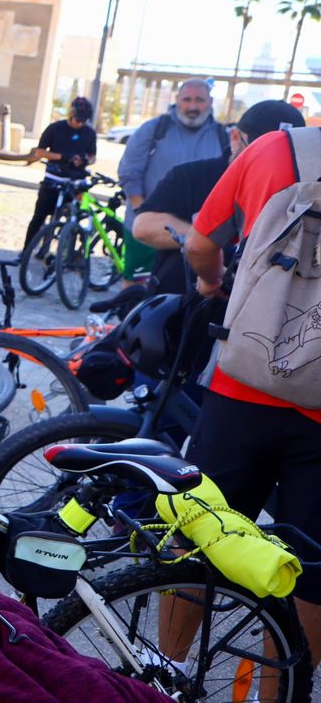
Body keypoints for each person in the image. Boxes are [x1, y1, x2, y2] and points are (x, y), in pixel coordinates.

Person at [184, 120, 321, 654]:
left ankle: (163, 671)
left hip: (243, 384)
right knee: (311, 566)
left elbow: (200, 243)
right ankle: (286, 689)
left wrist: (213, 282)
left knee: (202, 534)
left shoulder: (274, 148)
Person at [133, 99, 304, 294]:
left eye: (284, 155)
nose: (271, 162)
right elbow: (144, 226)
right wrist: (209, 246)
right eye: (260, 152)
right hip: (182, 308)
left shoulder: (303, 192)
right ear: (234, 137)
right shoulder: (191, 175)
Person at [116, 78, 228, 281]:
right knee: (137, 286)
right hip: (152, 232)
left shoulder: (224, 136)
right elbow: (130, 172)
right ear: (177, 100)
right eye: (187, 99)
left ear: (210, 102)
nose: (192, 106)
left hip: (202, 236)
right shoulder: (153, 130)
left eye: (199, 100)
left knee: (194, 291)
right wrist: (142, 213)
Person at [21, 96, 97, 248]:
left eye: (83, 121)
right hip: (53, 178)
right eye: (77, 119)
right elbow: (39, 152)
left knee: (77, 219)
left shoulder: (89, 133)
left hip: (75, 181)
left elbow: (92, 156)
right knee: (39, 216)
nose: (79, 123)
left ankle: (71, 254)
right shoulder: (55, 128)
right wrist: (62, 157)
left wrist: (84, 160)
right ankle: (26, 250)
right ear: (71, 114)